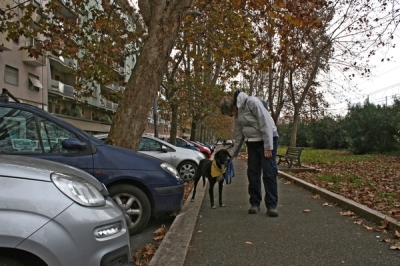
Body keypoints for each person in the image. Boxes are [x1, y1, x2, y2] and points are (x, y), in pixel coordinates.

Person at [220, 90, 279, 217]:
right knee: (252, 172)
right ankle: (255, 203)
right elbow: (238, 134)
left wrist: (268, 147)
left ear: (234, 107)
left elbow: (266, 124)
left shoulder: (252, 102)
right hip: (252, 142)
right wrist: (233, 154)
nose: (232, 117)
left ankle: (272, 205)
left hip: (268, 139)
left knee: (269, 172)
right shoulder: (238, 114)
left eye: (231, 114)